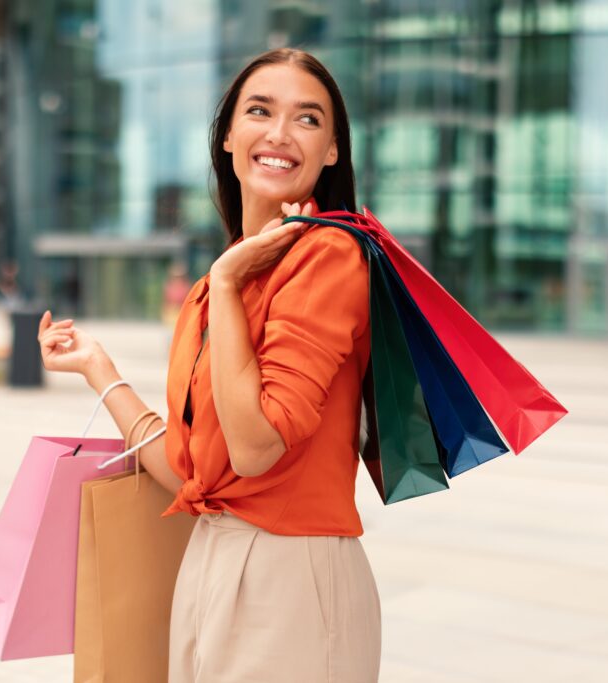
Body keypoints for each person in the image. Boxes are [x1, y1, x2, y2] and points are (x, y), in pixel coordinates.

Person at [36, 48, 380, 682]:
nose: (280, 133)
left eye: (307, 119)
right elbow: (192, 474)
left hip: (291, 579)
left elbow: (254, 451)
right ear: (228, 136)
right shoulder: (211, 290)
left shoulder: (327, 256)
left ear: (332, 150)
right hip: (207, 563)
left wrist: (226, 283)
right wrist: (100, 371)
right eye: (260, 111)